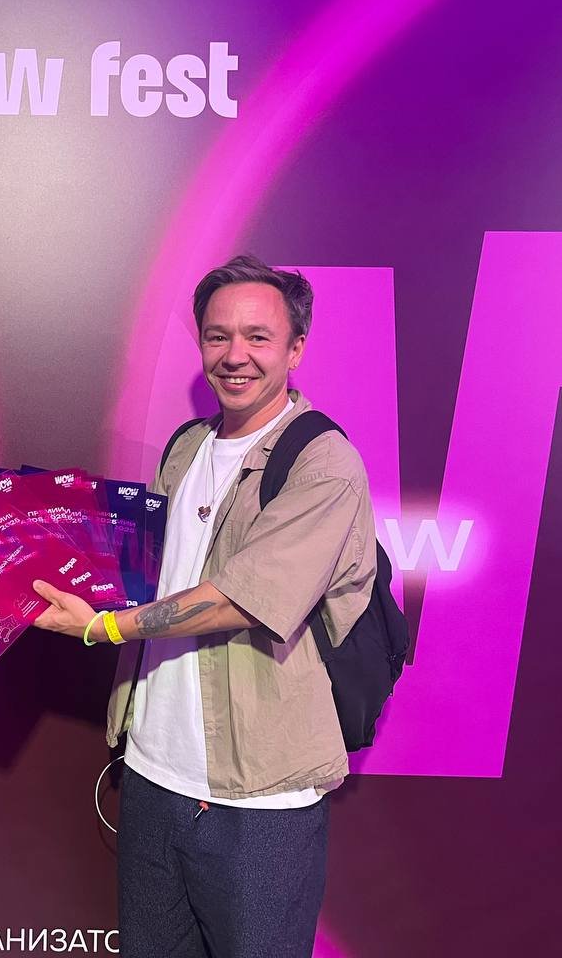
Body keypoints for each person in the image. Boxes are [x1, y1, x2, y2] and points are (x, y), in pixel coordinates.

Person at [33, 254, 377, 958]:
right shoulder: (188, 445)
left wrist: (101, 627)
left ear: (295, 349)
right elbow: (149, 570)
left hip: (257, 799)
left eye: (258, 337)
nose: (235, 355)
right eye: (218, 336)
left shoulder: (323, 462)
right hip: (153, 775)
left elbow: (243, 600)